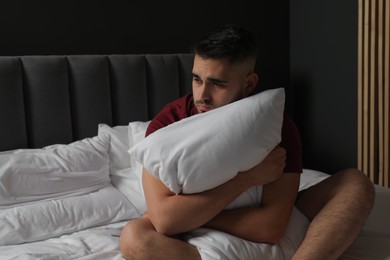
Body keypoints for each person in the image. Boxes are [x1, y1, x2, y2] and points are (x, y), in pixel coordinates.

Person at [120, 24, 375, 259]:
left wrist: (191, 215)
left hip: (240, 214)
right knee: (134, 238)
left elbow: (271, 228)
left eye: (217, 84)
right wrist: (246, 178)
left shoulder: (275, 128)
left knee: (356, 183)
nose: (202, 95)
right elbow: (165, 221)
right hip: (190, 235)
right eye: (197, 79)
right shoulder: (167, 125)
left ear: (249, 83)